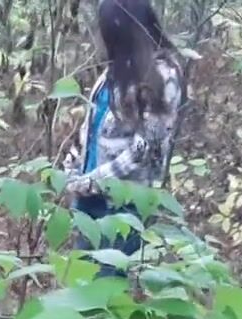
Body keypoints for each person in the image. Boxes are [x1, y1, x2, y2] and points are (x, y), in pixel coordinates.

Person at [60, 0, 185, 277]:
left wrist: (97, 180)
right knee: (81, 279)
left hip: (124, 202)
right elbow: (92, 124)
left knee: (109, 282)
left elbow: (146, 146)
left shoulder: (163, 74)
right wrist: (72, 163)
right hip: (88, 196)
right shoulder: (112, 71)